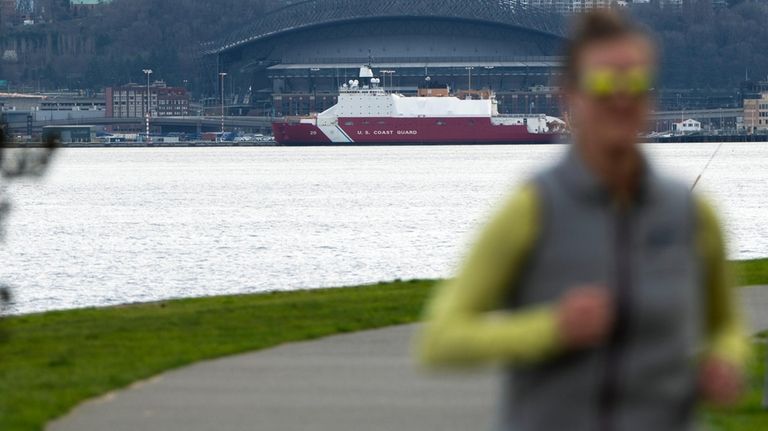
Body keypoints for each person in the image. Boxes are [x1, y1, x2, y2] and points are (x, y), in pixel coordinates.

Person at [414, 10, 749, 431]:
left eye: (637, 83)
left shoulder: (692, 213)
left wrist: (725, 359)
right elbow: (442, 338)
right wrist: (551, 328)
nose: (622, 97)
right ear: (569, 94)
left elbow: (728, 327)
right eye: (605, 82)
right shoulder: (532, 209)